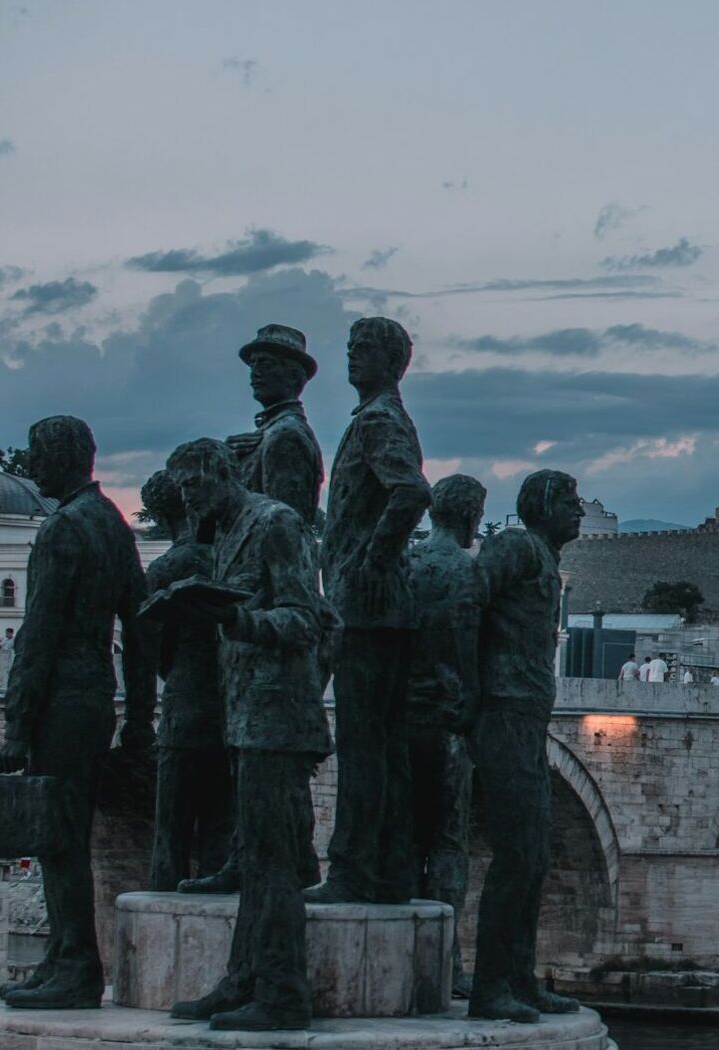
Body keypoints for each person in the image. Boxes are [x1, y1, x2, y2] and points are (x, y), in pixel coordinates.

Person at [163, 438, 334, 1031]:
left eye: (191, 488)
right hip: (246, 718)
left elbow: (305, 619)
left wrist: (236, 619)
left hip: (278, 720)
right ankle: (242, 980)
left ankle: (284, 995)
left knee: (273, 861)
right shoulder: (227, 533)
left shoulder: (276, 522)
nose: (187, 502)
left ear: (215, 473)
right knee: (254, 860)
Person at [0, 416, 156, 1009]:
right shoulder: (112, 524)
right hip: (94, 700)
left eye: (38, 455)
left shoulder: (63, 529)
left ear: (63, 457)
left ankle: (75, 966)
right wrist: (139, 716)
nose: (32, 469)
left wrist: (16, 724)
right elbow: (141, 630)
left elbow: (37, 635)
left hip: (60, 702)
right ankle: (63, 957)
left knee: (57, 838)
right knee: (67, 836)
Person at [308, 317, 432, 906]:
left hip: (366, 610)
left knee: (363, 746)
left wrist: (369, 561)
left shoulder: (379, 419)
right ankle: (393, 870)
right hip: (378, 610)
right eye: (349, 348)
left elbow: (411, 492)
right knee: (385, 747)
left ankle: (354, 871)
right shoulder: (381, 417)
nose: (350, 359)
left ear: (390, 361)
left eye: (361, 350)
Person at [469, 470, 584, 1022]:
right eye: (568, 499)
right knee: (516, 853)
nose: (579, 509)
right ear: (540, 505)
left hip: (527, 716)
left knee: (534, 854)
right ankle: (490, 987)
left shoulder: (543, 559)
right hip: (503, 711)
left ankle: (520, 979)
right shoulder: (514, 546)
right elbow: (465, 604)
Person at [404, 474, 489, 999]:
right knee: (448, 844)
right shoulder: (468, 572)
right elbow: (470, 653)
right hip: (448, 722)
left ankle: (399, 947)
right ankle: (446, 960)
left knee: (404, 840)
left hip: (400, 720)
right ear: (472, 517)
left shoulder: (405, 564)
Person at [139, 470, 235, 892]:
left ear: (161, 512)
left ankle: (163, 904)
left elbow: (153, 649)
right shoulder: (228, 559)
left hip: (183, 706)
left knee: (171, 828)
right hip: (230, 707)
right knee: (221, 824)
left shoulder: (164, 569)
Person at [226, 324, 324, 528]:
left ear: (294, 376)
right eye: (252, 364)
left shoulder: (286, 435)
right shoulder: (268, 431)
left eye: (265, 363)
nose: (255, 372)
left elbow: (284, 524)